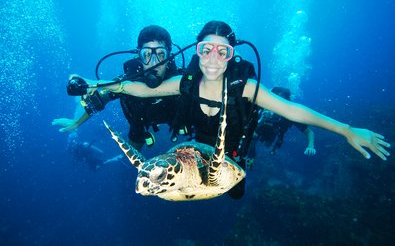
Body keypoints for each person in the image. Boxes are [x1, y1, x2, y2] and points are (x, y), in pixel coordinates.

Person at [79, 21, 390, 199]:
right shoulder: (185, 83)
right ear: (197, 51)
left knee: (234, 192)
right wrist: (93, 84)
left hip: (233, 150)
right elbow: (133, 86)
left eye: (222, 51)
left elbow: (294, 111)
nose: (213, 59)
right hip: (198, 147)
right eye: (205, 49)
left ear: (230, 56)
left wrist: (346, 130)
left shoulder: (245, 87)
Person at [52, 25, 183, 150]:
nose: (154, 63)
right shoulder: (126, 80)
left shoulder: (183, 79)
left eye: (161, 54)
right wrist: (76, 122)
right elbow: (100, 99)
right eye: (147, 54)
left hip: (176, 118)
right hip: (140, 124)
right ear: (138, 56)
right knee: (135, 139)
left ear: (169, 57)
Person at [249, 87, 316, 162]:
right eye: (274, 100)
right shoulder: (262, 106)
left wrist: (311, 146)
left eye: (280, 101)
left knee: (268, 146)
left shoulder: (289, 115)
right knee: (252, 139)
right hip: (257, 131)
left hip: (274, 135)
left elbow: (309, 132)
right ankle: (251, 156)